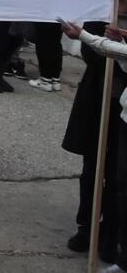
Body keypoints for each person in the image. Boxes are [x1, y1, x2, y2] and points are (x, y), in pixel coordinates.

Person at [62, 21, 124, 264]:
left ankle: (110, 234)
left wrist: (119, 46)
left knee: (118, 176)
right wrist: (105, 43)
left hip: (123, 112)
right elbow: (90, 54)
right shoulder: (102, 15)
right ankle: (87, 227)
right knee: (92, 169)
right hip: (97, 103)